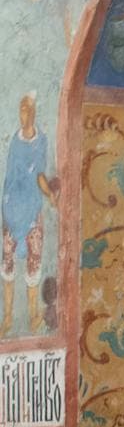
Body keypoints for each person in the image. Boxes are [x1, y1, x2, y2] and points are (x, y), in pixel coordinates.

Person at [2, 95, 55, 336]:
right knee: (8, 263)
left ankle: (33, 314)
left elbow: (40, 176)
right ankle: (8, 317)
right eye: (20, 110)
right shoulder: (14, 141)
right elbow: (10, 177)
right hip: (12, 210)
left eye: (26, 110)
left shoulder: (40, 142)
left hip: (32, 211)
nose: (23, 115)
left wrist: (50, 195)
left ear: (33, 112)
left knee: (33, 264)